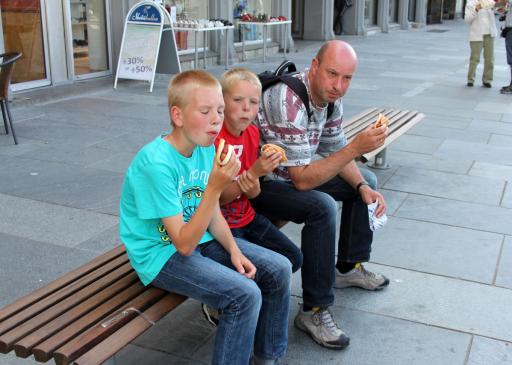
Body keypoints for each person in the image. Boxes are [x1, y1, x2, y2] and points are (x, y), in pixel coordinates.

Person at [119, 70, 291, 365]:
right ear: (178, 115)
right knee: (244, 295)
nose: (216, 119)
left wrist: (234, 251)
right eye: (205, 111)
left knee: (280, 268)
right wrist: (215, 186)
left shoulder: (205, 148)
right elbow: (184, 245)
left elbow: (210, 212)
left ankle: (267, 357)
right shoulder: (156, 164)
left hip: (200, 238)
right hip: (161, 254)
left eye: (220, 111)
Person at [251, 40, 389, 349]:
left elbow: (334, 148)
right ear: (314, 66)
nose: (339, 86)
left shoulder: (330, 96)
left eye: (347, 78)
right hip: (257, 184)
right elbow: (300, 181)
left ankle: (348, 267)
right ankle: (313, 309)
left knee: (365, 179)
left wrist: (362, 187)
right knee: (321, 207)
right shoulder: (285, 101)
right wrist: (357, 148)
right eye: (332, 74)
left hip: (291, 174)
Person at [215, 68, 303, 273]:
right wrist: (254, 173)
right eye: (237, 100)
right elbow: (218, 199)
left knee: (293, 258)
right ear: (222, 101)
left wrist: (256, 179)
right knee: (262, 270)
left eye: (253, 102)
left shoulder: (252, 133)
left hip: (247, 217)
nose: (246, 108)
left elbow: (253, 193)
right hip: (221, 226)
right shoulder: (215, 139)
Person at [464, 0, 498, 88]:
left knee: (490, 59)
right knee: (475, 58)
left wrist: (500, 9)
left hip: (489, 34)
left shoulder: (490, 1)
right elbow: (467, 19)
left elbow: (496, 10)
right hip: (477, 33)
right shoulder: (471, 2)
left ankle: (487, 80)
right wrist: (476, 9)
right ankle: (470, 79)